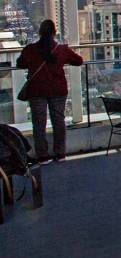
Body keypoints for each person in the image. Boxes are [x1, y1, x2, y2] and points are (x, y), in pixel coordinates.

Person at [15, 19, 83, 163]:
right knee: (58, 121)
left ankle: (42, 155)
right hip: (57, 89)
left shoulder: (30, 49)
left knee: (39, 123)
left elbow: (20, 63)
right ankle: (60, 153)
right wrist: (63, 60)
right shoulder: (61, 49)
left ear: (40, 33)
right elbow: (79, 60)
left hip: (37, 90)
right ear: (54, 33)